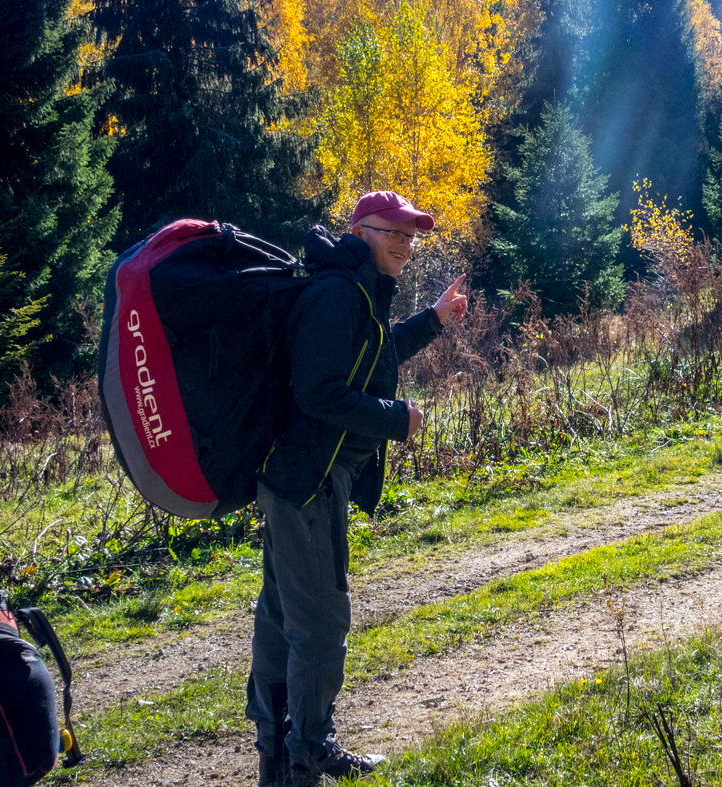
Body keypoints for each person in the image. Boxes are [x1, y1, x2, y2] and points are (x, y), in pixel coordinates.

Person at [246, 191, 467, 786]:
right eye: (393, 232)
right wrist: (399, 420)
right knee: (318, 621)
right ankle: (308, 751)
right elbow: (317, 391)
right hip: (308, 481)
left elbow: (375, 354)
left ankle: (279, 751)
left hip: (301, 477)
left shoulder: (355, 291)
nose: (405, 243)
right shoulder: (336, 294)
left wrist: (435, 320)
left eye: (411, 235)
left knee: (281, 615)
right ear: (361, 231)